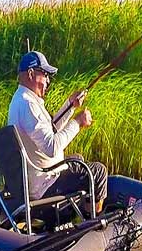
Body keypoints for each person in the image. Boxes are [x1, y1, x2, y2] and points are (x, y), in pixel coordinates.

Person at [7, 51, 107, 217]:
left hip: (36, 179)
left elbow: (51, 130)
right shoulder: (28, 104)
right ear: (31, 74)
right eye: (45, 75)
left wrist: (71, 105)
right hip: (44, 187)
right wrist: (78, 122)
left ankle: (80, 216)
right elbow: (51, 147)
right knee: (99, 171)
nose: (48, 81)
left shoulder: (21, 100)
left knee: (78, 159)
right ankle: (95, 225)